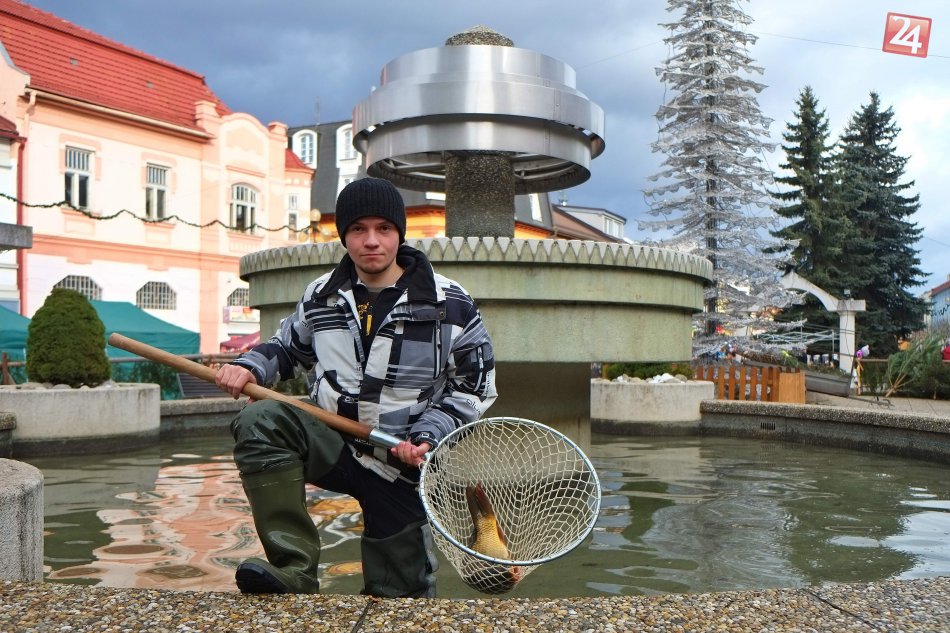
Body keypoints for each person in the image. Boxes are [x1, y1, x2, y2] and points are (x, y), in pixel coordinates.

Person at [215, 177, 497, 597]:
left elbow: (473, 388)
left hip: (403, 462)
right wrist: (250, 367)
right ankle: (294, 569)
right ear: (344, 235)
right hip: (335, 444)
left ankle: (396, 586)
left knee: (401, 600)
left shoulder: (449, 302)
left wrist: (428, 435)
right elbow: (287, 348)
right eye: (358, 229)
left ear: (399, 233)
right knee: (262, 420)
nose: (371, 241)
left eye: (384, 228)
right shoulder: (321, 295)